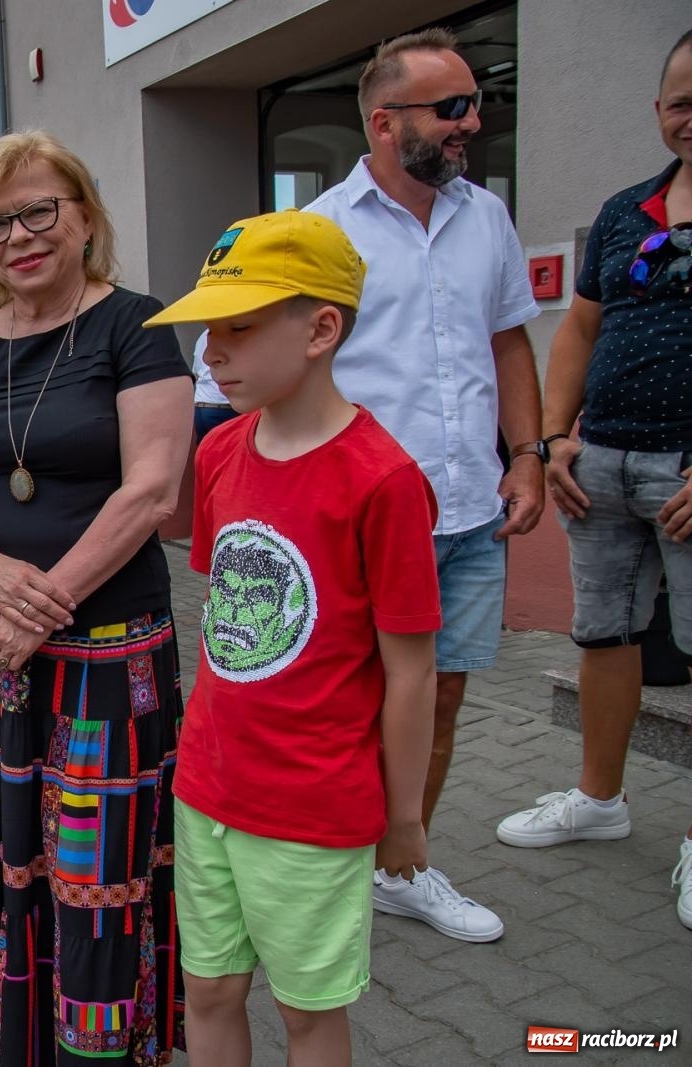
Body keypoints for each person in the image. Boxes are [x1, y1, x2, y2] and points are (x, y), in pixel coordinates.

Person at [0, 131, 193, 1067]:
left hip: (104, 653)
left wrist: (41, 603)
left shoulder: (136, 325)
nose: (20, 237)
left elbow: (152, 490)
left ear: (84, 215)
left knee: (97, 877)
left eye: (40, 211)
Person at [150, 210, 438, 1067]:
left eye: (237, 327)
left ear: (321, 330)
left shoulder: (383, 481)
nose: (211, 352)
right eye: (208, 329)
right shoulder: (219, 453)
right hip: (207, 785)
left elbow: (412, 670)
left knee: (307, 1011)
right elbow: (227, 620)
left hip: (312, 805)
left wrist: (405, 815)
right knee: (207, 990)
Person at [303, 27, 542, 943]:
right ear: (383, 121)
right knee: (348, 704)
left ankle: (401, 866)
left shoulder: (487, 217)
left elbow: (508, 339)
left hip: (471, 510)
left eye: (475, 104)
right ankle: (324, 868)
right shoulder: (321, 230)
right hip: (362, 524)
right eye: (452, 108)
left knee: (439, 699)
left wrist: (528, 453)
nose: (472, 122)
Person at [497, 30, 692, 932]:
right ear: (658, 112)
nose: (691, 117)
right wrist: (553, 439)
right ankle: (600, 800)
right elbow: (578, 330)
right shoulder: (626, 212)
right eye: (681, 101)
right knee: (605, 637)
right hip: (600, 464)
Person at [191, 334, 240, 443]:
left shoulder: (201, 338)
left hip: (200, 405)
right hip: (222, 405)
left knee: (205, 449)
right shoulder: (227, 334)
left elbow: (196, 371)